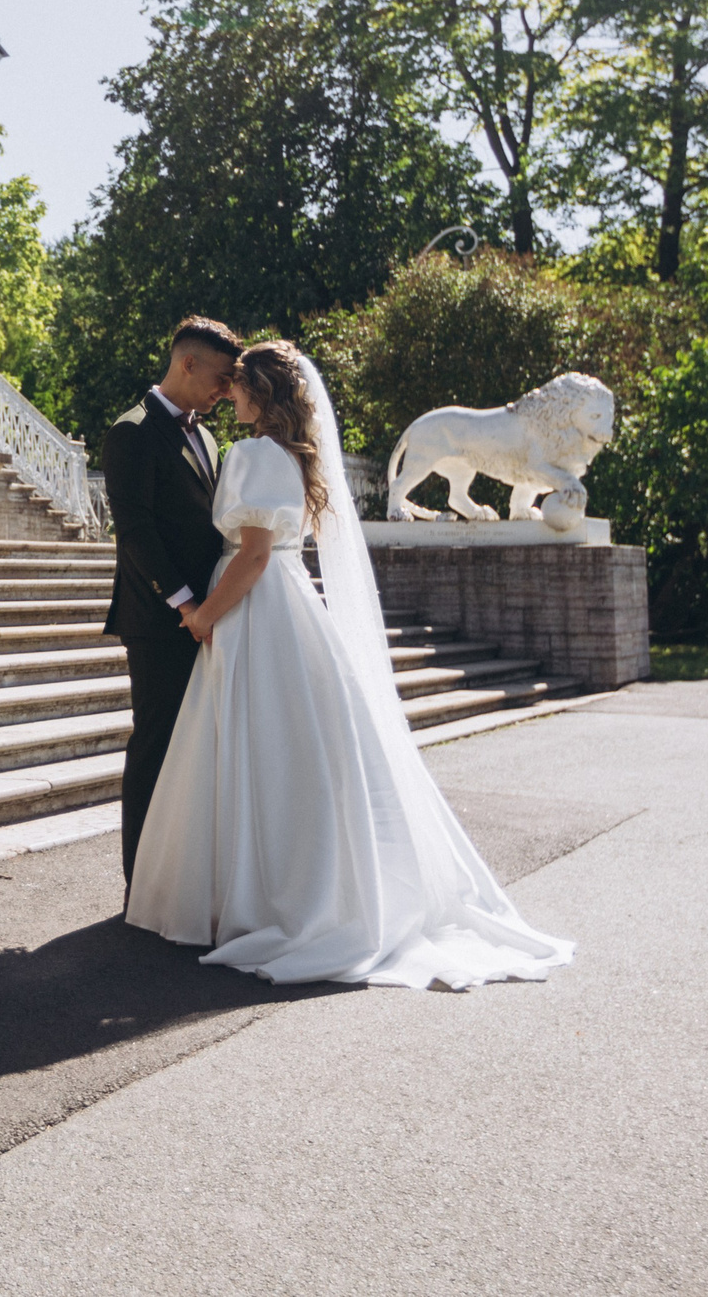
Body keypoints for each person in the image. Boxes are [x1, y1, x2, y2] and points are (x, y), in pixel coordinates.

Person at [125, 338, 575, 991]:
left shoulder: (252, 453)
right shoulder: (297, 459)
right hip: (292, 602)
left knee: (253, 742)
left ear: (263, 393)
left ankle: (252, 894)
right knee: (294, 746)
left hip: (252, 604)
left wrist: (203, 615)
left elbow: (250, 556)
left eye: (240, 385)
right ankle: (300, 883)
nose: (231, 395)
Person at [101, 316, 241, 893]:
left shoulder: (206, 436)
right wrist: (186, 606)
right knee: (155, 749)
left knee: (196, 753)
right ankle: (142, 885)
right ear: (187, 363)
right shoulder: (130, 432)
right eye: (222, 376)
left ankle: (183, 878)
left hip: (206, 618)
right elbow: (136, 533)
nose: (228, 390)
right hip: (159, 621)